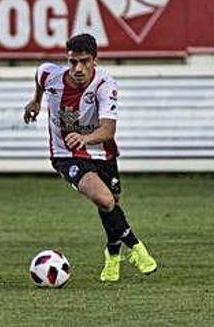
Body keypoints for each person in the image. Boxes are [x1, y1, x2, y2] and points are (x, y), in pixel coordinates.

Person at [23, 33, 158, 282]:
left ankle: (112, 256)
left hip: (101, 151)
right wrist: (35, 101)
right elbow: (39, 78)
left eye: (84, 61)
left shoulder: (105, 85)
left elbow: (108, 130)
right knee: (105, 199)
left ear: (94, 60)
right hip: (66, 154)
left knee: (110, 204)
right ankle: (137, 249)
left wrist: (85, 139)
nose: (78, 68)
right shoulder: (50, 75)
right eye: (73, 62)